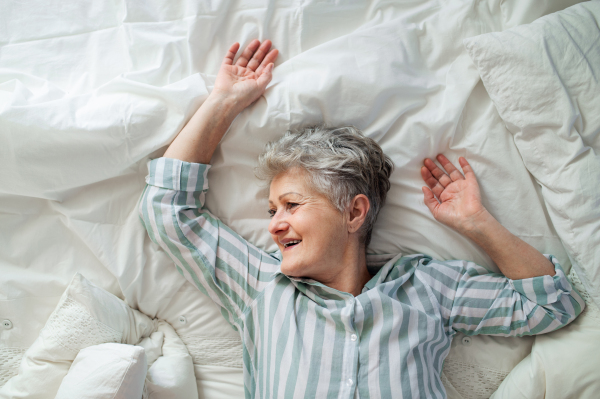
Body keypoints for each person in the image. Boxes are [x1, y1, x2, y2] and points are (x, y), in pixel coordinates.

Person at [139, 40, 584, 398]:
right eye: (272, 211)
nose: (274, 225)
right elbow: (167, 210)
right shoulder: (262, 287)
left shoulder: (426, 289)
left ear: (353, 212)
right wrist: (224, 102)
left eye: (292, 206)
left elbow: (551, 306)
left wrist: (476, 223)